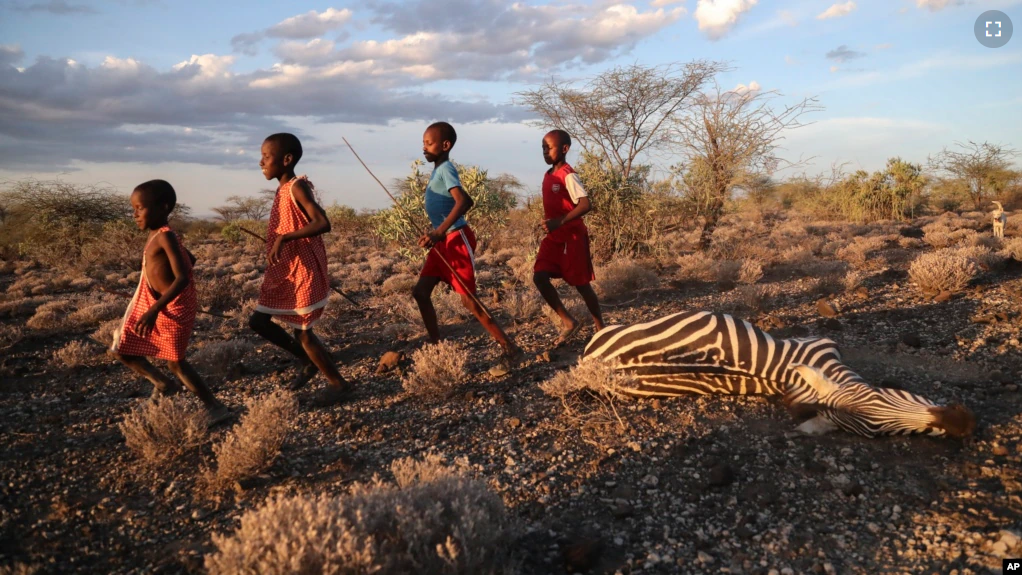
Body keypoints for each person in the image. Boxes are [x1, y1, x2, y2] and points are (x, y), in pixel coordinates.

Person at [110, 179, 230, 423]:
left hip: (171, 307)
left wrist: (156, 307)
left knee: (176, 362)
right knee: (122, 349)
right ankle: (163, 384)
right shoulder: (159, 235)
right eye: (133, 208)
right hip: (158, 302)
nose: (134, 214)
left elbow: (183, 277)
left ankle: (215, 407)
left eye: (140, 208)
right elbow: (190, 259)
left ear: (163, 207)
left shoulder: (166, 236)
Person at [249, 133, 351, 405]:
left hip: (304, 268)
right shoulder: (283, 189)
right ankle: (307, 361)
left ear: (287, 159)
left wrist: (285, 238)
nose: (261, 162)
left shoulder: (297, 186)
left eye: (267, 156)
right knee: (258, 321)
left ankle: (338, 383)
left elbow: (322, 222)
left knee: (303, 331)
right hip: (287, 269)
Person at [413, 121, 521, 368]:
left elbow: (463, 202)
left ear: (445, 145)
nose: (424, 148)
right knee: (420, 292)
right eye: (423, 143)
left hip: (455, 239)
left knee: (469, 300)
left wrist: (439, 232)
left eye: (428, 143)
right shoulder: (438, 169)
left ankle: (510, 348)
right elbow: (460, 201)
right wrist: (435, 233)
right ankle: (437, 346)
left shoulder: (446, 168)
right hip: (442, 241)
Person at [532, 129, 605, 347]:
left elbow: (585, 204)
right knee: (539, 277)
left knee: (581, 285)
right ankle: (568, 321)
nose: (545, 151)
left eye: (549, 147)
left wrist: (559, 221)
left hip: (572, 238)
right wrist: (551, 224)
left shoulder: (568, 175)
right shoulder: (548, 175)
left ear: (564, 149)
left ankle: (601, 328)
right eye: (543, 148)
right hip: (555, 238)